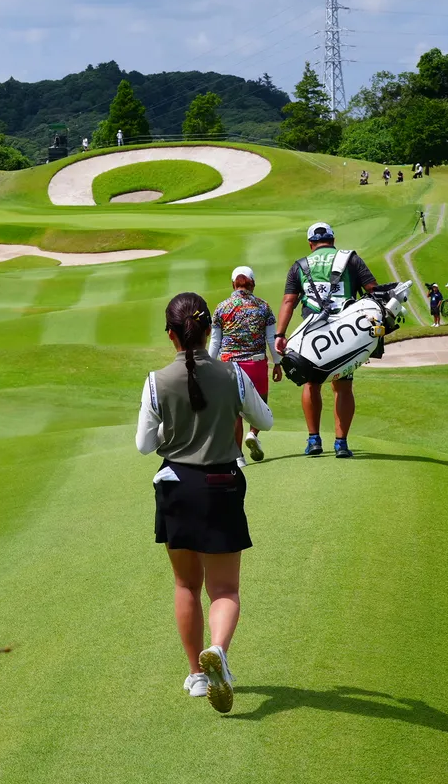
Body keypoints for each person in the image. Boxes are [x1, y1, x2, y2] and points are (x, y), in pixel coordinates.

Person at [136, 292, 274, 713]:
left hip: (176, 487)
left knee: (186, 585)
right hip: (222, 486)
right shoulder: (233, 374)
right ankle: (218, 650)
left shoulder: (156, 380)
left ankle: (197, 675)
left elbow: (144, 445)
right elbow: (264, 421)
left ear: (171, 334)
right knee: (225, 589)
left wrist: (174, 432)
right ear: (209, 330)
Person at [274, 222, 379, 459]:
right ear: (332, 240)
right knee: (343, 386)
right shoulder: (351, 259)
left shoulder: (300, 265)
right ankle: (341, 444)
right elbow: (373, 290)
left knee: (311, 383)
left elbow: (289, 301)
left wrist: (280, 335)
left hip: (313, 337)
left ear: (310, 244)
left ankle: (314, 440)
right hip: (346, 334)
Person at [211, 266, 282, 465]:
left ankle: (238, 456)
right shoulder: (263, 306)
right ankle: (253, 433)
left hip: (229, 366)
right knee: (260, 404)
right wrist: (277, 363)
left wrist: (208, 364)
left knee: (235, 411)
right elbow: (271, 339)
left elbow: (215, 341)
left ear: (233, 284)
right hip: (256, 364)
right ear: (253, 284)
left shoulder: (221, 307)